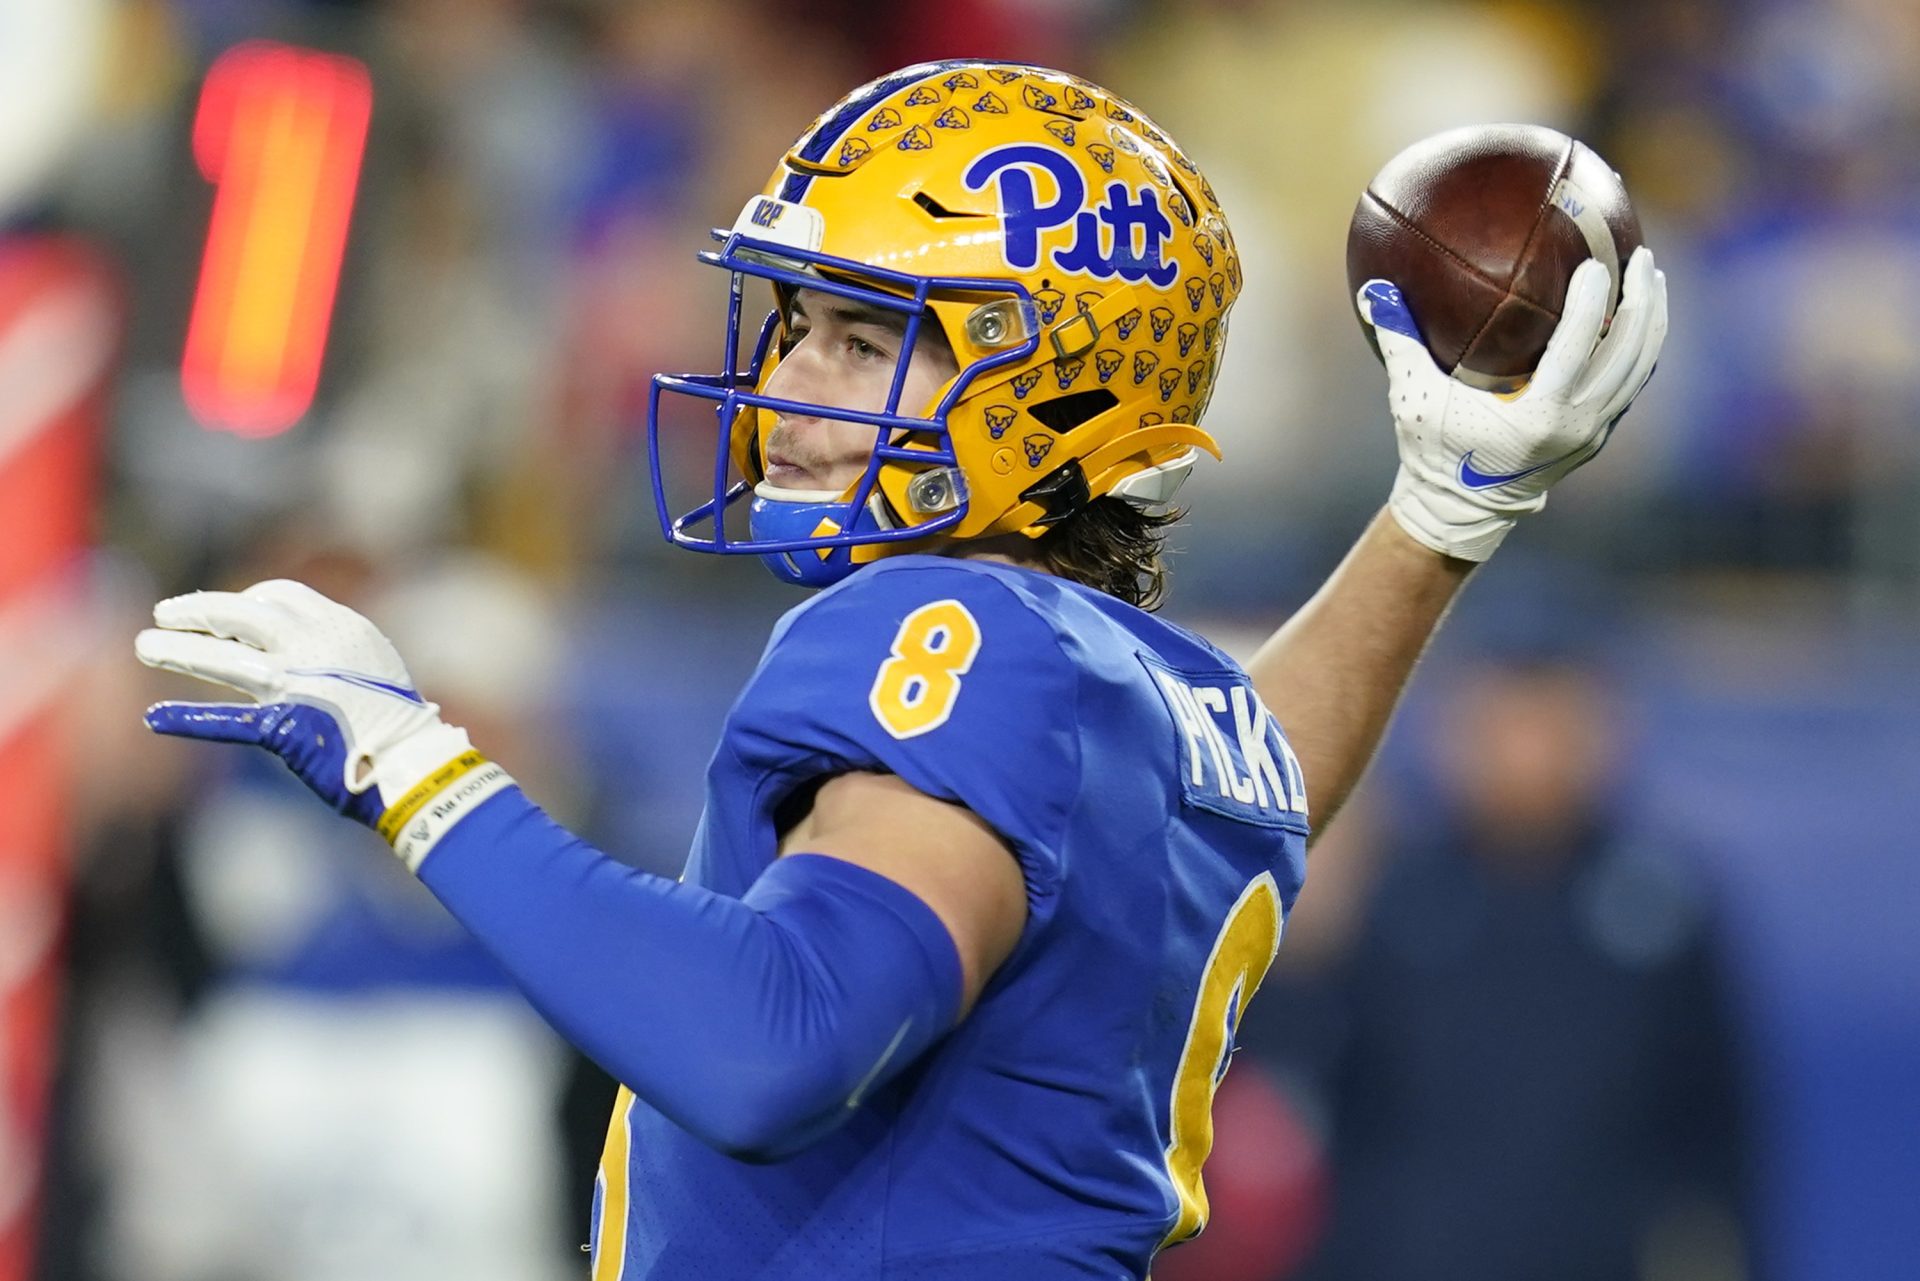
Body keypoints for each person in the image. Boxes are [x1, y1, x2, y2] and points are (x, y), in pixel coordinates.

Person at [134, 60, 1667, 1281]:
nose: (788, 386)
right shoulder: (1140, 687)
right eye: (797, 325)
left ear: (1054, 380)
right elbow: (1257, 762)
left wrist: (414, 770)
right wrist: (1441, 520)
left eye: (865, 343)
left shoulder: (954, 634)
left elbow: (772, 1042)